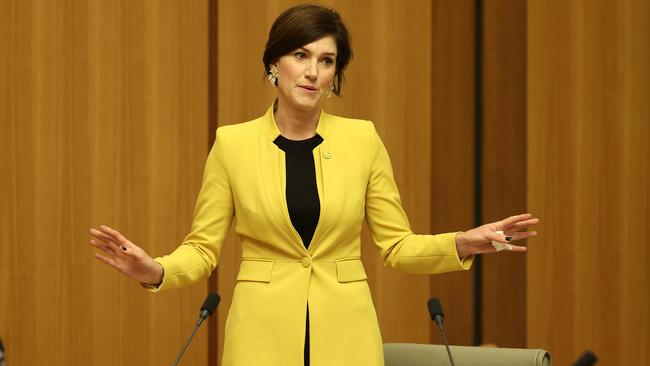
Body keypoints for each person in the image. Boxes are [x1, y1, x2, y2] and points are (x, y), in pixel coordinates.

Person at [89, 4, 539, 366]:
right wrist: (157, 271)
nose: (312, 72)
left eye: (326, 61)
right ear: (274, 64)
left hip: (346, 336)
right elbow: (204, 249)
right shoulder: (233, 144)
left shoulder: (362, 139)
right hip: (259, 338)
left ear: (334, 75)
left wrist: (462, 243)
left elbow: (397, 246)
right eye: (300, 56)